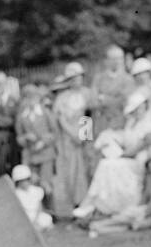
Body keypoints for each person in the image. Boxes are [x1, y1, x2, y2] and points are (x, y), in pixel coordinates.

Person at [51, 61, 92, 219]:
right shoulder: (62, 98)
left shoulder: (87, 94)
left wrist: (82, 136)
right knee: (71, 171)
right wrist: (72, 134)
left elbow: (89, 114)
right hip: (68, 140)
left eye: (79, 77)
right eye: (73, 78)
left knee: (85, 168)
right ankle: (75, 204)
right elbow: (60, 118)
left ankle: (87, 204)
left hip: (84, 137)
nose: (77, 81)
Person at [14, 81, 58, 208]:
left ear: (38, 98)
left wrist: (43, 142)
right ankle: (38, 210)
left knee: (46, 183)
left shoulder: (45, 112)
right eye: (27, 98)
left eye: (33, 97)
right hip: (30, 154)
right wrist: (25, 138)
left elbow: (54, 132)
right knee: (33, 182)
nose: (30, 100)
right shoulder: (22, 115)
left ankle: (51, 211)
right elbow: (19, 137)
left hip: (46, 153)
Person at [92, 45, 134, 136]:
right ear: (106, 60)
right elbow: (94, 102)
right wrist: (115, 97)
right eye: (114, 58)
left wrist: (104, 98)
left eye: (120, 58)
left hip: (121, 126)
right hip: (102, 126)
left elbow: (125, 101)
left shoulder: (128, 79)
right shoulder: (98, 79)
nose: (117, 61)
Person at [11, 164, 53, 230]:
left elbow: (39, 207)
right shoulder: (16, 194)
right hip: (25, 217)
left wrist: (35, 220)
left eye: (27, 180)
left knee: (47, 218)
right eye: (22, 181)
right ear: (18, 182)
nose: (25, 182)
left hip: (36, 215)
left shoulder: (35, 190)